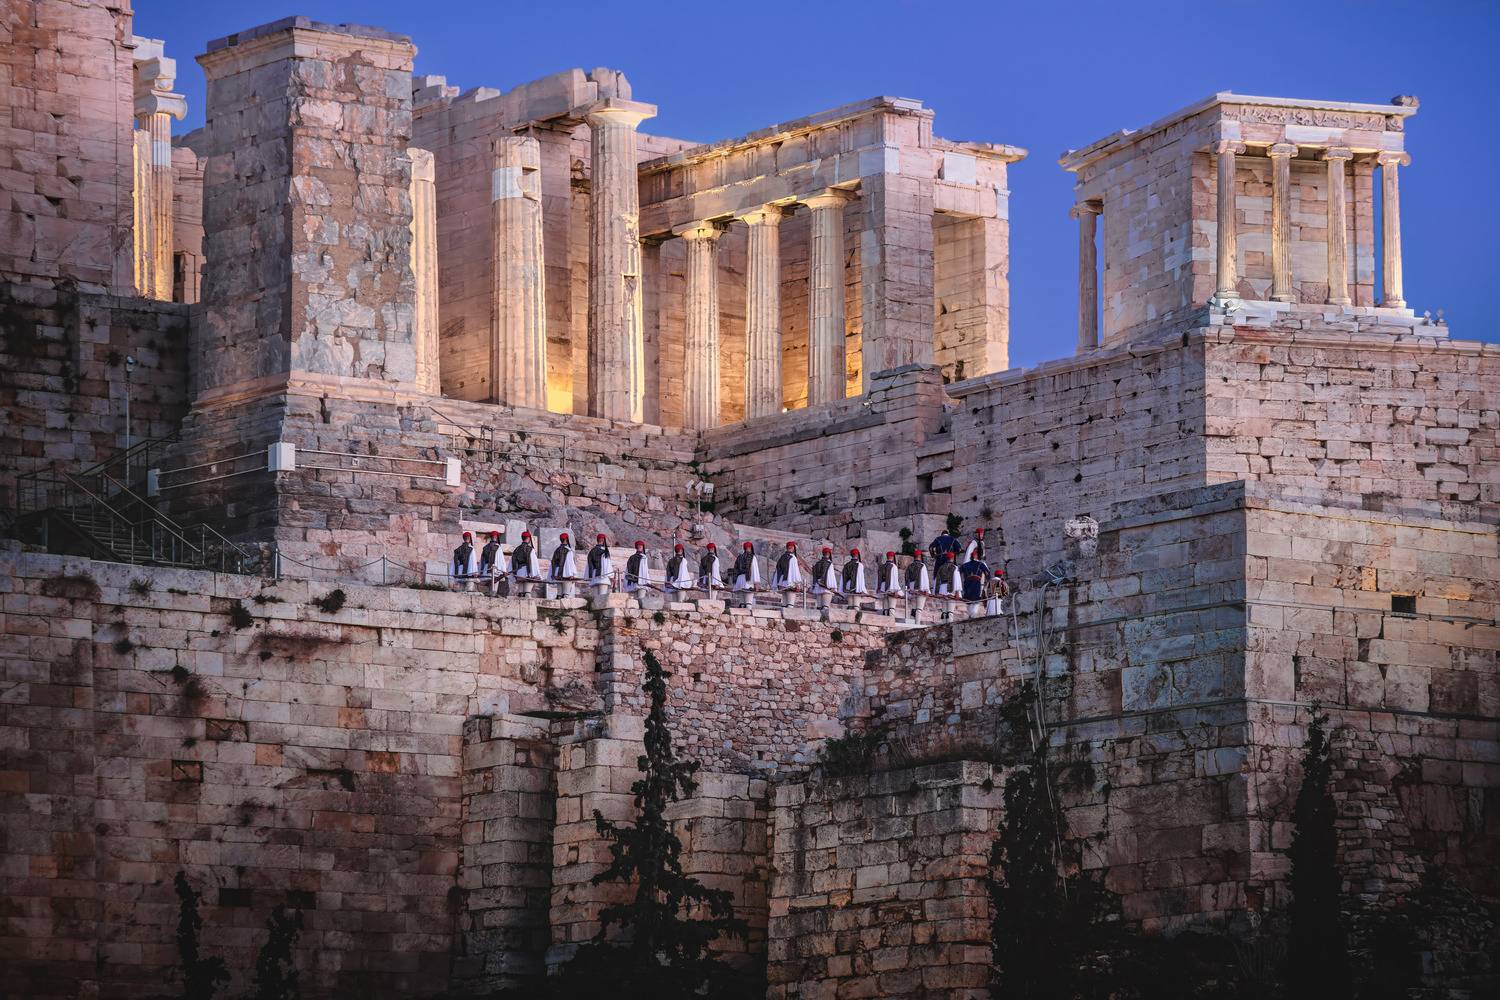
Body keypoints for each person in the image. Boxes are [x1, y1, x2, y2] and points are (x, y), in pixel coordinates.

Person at [959, 551, 992, 617]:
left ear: (970, 557)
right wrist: (987, 580)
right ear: (976, 556)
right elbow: (987, 573)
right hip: (976, 583)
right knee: (976, 598)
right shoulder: (980, 564)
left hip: (967, 583)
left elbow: (958, 572)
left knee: (968, 598)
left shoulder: (965, 565)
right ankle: (973, 615)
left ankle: (970, 614)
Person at [510, 530, 541, 596]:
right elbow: (533, 562)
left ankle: (520, 595)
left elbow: (512, 561)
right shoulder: (530, 549)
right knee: (527, 593)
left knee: (520, 592)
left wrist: (513, 572)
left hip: (518, 572)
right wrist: (536, 574)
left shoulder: (517, 549)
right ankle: (527, 594)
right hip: (527, 572)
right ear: (528, 538)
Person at [904, 548, 931, 623]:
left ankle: (911, 622)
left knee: (913, 608)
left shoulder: (910, 566)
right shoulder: (922, 565)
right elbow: (925, 578)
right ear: (920, 556)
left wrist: (908, 588)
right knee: (919, 609)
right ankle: (917, 624)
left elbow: (906, 578)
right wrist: (926, 590)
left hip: (912, 588)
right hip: (920, 588)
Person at [730, 541, 760, 607]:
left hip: (739, 580)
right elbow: (754, 570)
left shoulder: (739, 557)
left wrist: (735, 582)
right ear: (751, 548)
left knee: (742, 603)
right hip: (748, 580)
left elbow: (735, 569)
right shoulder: (752, 557)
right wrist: (756, 583)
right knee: (748, 603)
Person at [772, 541, 802, 606]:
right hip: (790, 582)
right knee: (790, 603)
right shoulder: (793, 558)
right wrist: (798, 583)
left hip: (782, 581)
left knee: (784, 602)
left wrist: (777, 582)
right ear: (793, 548)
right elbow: (795, 571)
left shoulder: (782, 557)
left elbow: (778, 570)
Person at [549, 532, 577, 599]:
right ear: (566, 539)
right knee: (566, 594)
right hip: (566, 572)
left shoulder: (557, 550)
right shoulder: (568, 550)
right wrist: (572, 574)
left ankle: (558, 598)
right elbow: (570, 563)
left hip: (557, 572)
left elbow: (553, 562)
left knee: (559, 593)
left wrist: (553, 573)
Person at [810, 546, 838, 610]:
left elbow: (814, 575)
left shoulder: (817, 563)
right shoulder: (829, 563)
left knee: (819, 607)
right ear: (829, 554)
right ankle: (824, 619)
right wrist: (833, 586)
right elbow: (831, 576)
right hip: (826, 586)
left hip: (818, 586)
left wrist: (814, 585)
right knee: (825, 607)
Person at [875, 550, 902, 615]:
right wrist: (896, 590)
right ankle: (890, 623)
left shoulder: (881, 566)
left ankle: (885, 622)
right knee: (892, 608)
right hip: (891, 588)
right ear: (892, 557)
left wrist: (879, 588)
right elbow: (894, 579)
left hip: (883, 588)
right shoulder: (893, 566)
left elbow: (878, 579)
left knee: (885, 608)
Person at [934, 550, 959, 620]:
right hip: (950, 589)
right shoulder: (955, 567)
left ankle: (943, 625)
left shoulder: (941, 567)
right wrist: (957, 592)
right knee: (950, 612)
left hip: (942, 589)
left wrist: (937, 591)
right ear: (953, 558)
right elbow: (956, 580)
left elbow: (937, 579)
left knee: (944, 612)